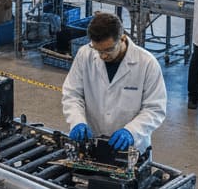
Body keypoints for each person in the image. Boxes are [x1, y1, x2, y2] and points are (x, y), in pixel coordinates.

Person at [62, 12, 166, 153]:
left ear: (122, 38)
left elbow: (155, 109)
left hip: (132, 148)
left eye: (109, 50)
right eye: (98, 50)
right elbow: (72, 94)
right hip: (92, 143)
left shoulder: (147, 64)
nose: (103, 56)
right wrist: (77, 121)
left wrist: (131, 131)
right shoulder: (85, 55)